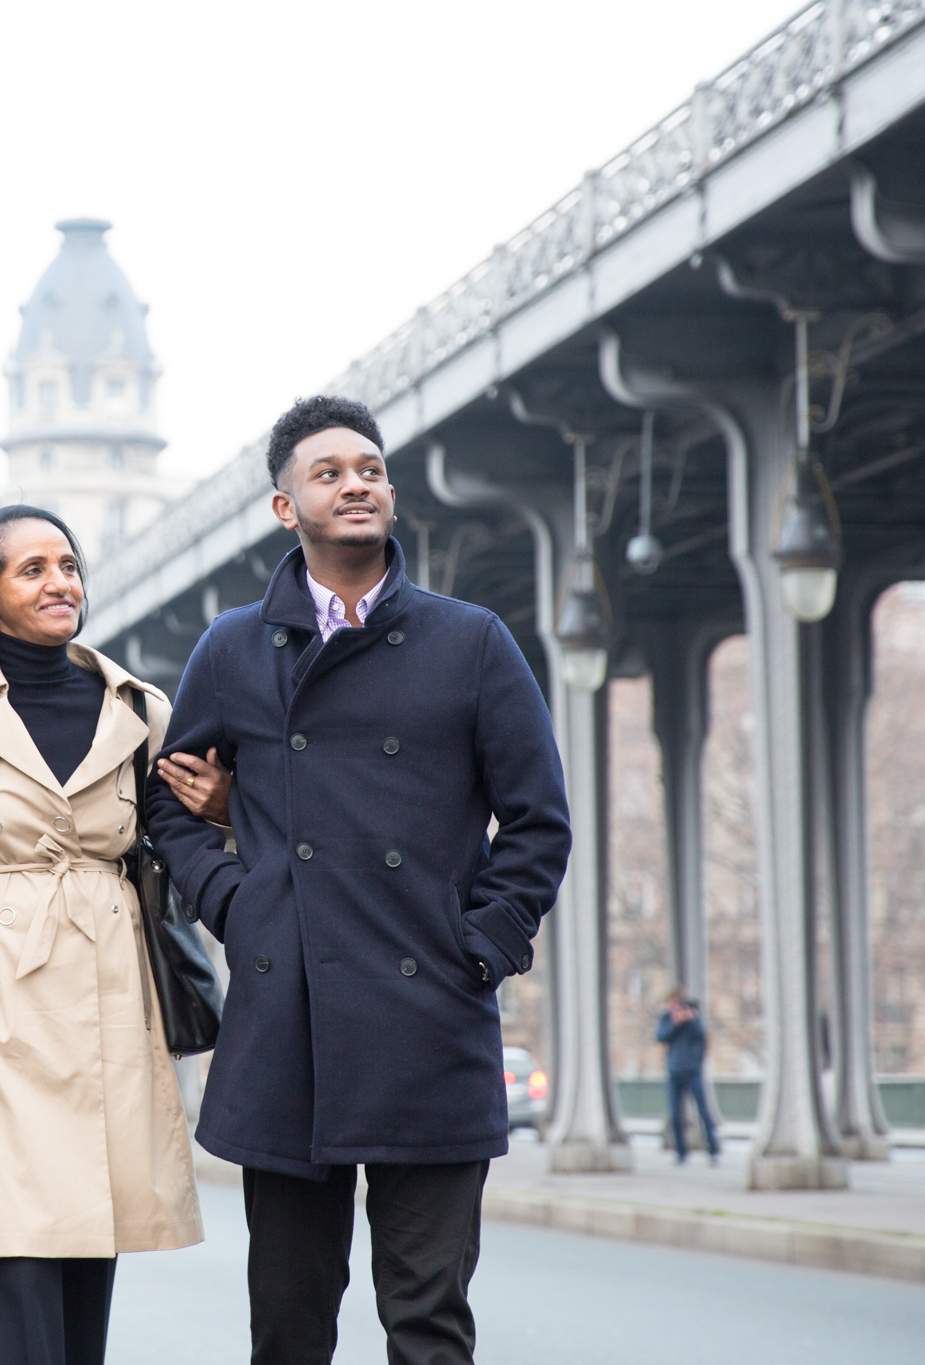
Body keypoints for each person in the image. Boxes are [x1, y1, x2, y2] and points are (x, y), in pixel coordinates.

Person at [146, 395, 572, 1365]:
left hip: (429, 1014)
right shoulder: (233, 645)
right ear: (283, 507)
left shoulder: (469, 642)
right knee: (288, 1325)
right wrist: (237, 904)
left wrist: (482, 945)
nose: (356, 484)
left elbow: (537, 820)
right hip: (286, 1013)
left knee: (426, 1322)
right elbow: (167, 803)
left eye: (370, 469)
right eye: (328, 472)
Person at [0, 505, 214, 1365]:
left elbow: (177, 837)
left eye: (67, 564)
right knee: (15, 1237)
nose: (59, 581)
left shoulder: (139, 708)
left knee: (88, 1235)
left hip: (111, 995)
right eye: (32, 568)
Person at [657, 988, 721, 1166]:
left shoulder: (694, 1019)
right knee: (675, 1114)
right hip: (674, 1071)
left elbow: (703, 1037)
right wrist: (676, 1023)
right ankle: (681, 1153)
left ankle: (713, 1150)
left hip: (693, 1071)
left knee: (703, 1111)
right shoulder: (667, 1018)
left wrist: (690, 1020)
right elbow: (661, 1037)